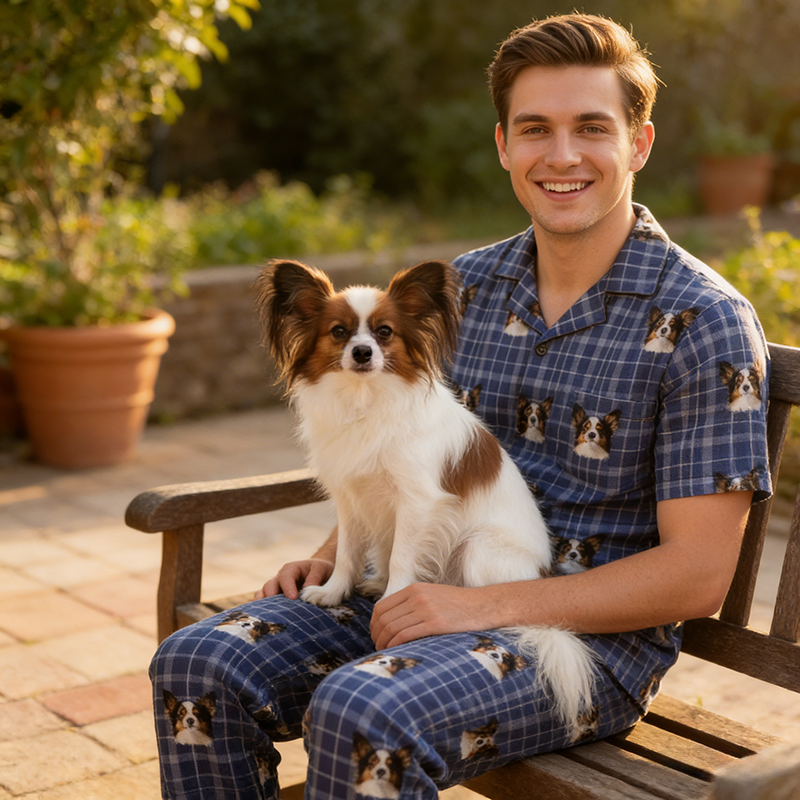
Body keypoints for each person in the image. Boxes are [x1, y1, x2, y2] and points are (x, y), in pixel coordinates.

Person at [150, 13, 770, 799]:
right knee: (194, 662)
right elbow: (403, 438)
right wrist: (339, 546)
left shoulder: (702, 320)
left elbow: (697, 575)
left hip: (583, 646)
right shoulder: (464, 288)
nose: (563, 154)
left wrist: (478, 604)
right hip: (418, 587)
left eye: (592, 127)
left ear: (639, 143)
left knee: (364, 707)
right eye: (535, 128)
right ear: (505, 145)